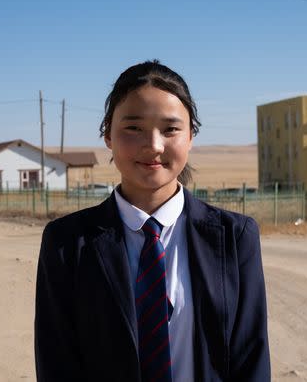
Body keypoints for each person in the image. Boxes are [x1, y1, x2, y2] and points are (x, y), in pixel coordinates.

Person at [34, 60, 270, 381]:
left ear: (191, 136)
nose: (154, 146)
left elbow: (251, 360)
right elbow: (57, 364)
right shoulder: (66, 244)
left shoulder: (235, 237)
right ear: (108, 135)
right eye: (133, 128)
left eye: (171, 129)